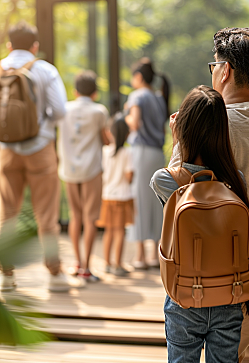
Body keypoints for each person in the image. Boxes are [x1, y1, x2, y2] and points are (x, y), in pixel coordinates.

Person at [170, 28, 249, 362]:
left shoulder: (204, 127)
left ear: (224, 70)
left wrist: (180, 140)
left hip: (231, 282)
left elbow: (175, 199)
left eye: (213, 66)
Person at [151, 85, 249, 363]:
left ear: (183, 129)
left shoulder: (164, 180)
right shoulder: (235, 181)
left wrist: (177, 144)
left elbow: (176, 185)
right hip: (230, 296)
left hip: (184, 297)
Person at [0, 21, 74, 292]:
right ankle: (54, 274)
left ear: (9, 45)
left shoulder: (0, 67)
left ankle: (6, 276)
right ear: (35, 46)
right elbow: (59, 111)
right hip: (40, 149)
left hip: (7, 150)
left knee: (7, 212)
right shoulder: (45, 69)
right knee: (46, 212)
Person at [58, 70, 109, 282]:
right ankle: (87, 268)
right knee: (90, 218)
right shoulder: (99, 111)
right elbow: (106, 140)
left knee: (74, 215)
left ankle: (77, 263)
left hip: (69, 169)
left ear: (74, 91)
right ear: (95, 92)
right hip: (91, 169)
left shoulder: (64, 109)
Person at [125, 57, 170, 269]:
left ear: (139, 77)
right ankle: (155, 253)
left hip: (141, 152)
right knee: (156, 201)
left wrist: (125, 115)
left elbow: (134, 123)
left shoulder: (137, 96)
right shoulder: (159, 97)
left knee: (140, 201)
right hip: (157, 154)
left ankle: (140, 256)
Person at [96, 113, 134, 276]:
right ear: (127, 134)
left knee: (109, 231)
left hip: (106, 196)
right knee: (119, 231)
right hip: (122, 197)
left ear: (109, 132)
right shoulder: (127, 153)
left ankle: (107, 263)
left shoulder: (104, 152)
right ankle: (118, 264)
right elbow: (129, 177)